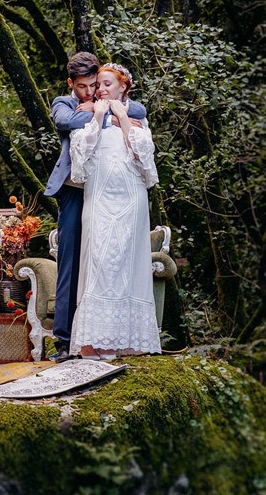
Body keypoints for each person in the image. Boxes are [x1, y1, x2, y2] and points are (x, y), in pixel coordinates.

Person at [45, 53, 146, 363]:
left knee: (104, 265)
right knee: (70, 262)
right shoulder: (63, 102)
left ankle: (103, 336)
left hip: (108, 195)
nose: (89, 93)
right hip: (76, 192)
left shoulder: (105, 96)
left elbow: (139, 109)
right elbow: (65, 121)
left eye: (94, 85)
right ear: (70, 84)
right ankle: (64, 341)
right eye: (83, 87)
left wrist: (106, 110)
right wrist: (101, 113)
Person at [68, 63, 161, 359]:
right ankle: (93, 343)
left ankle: (121, 342)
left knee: (124, 262)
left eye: (107, 84)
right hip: (99, 198)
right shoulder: (88, 115)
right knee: (99, 261)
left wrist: (121, 118)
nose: (101, 89)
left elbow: (146, 162)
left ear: (123, 87)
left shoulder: (136, 119)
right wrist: (97, 118)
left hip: (130, 199)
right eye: (99, 85)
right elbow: (79, 163)